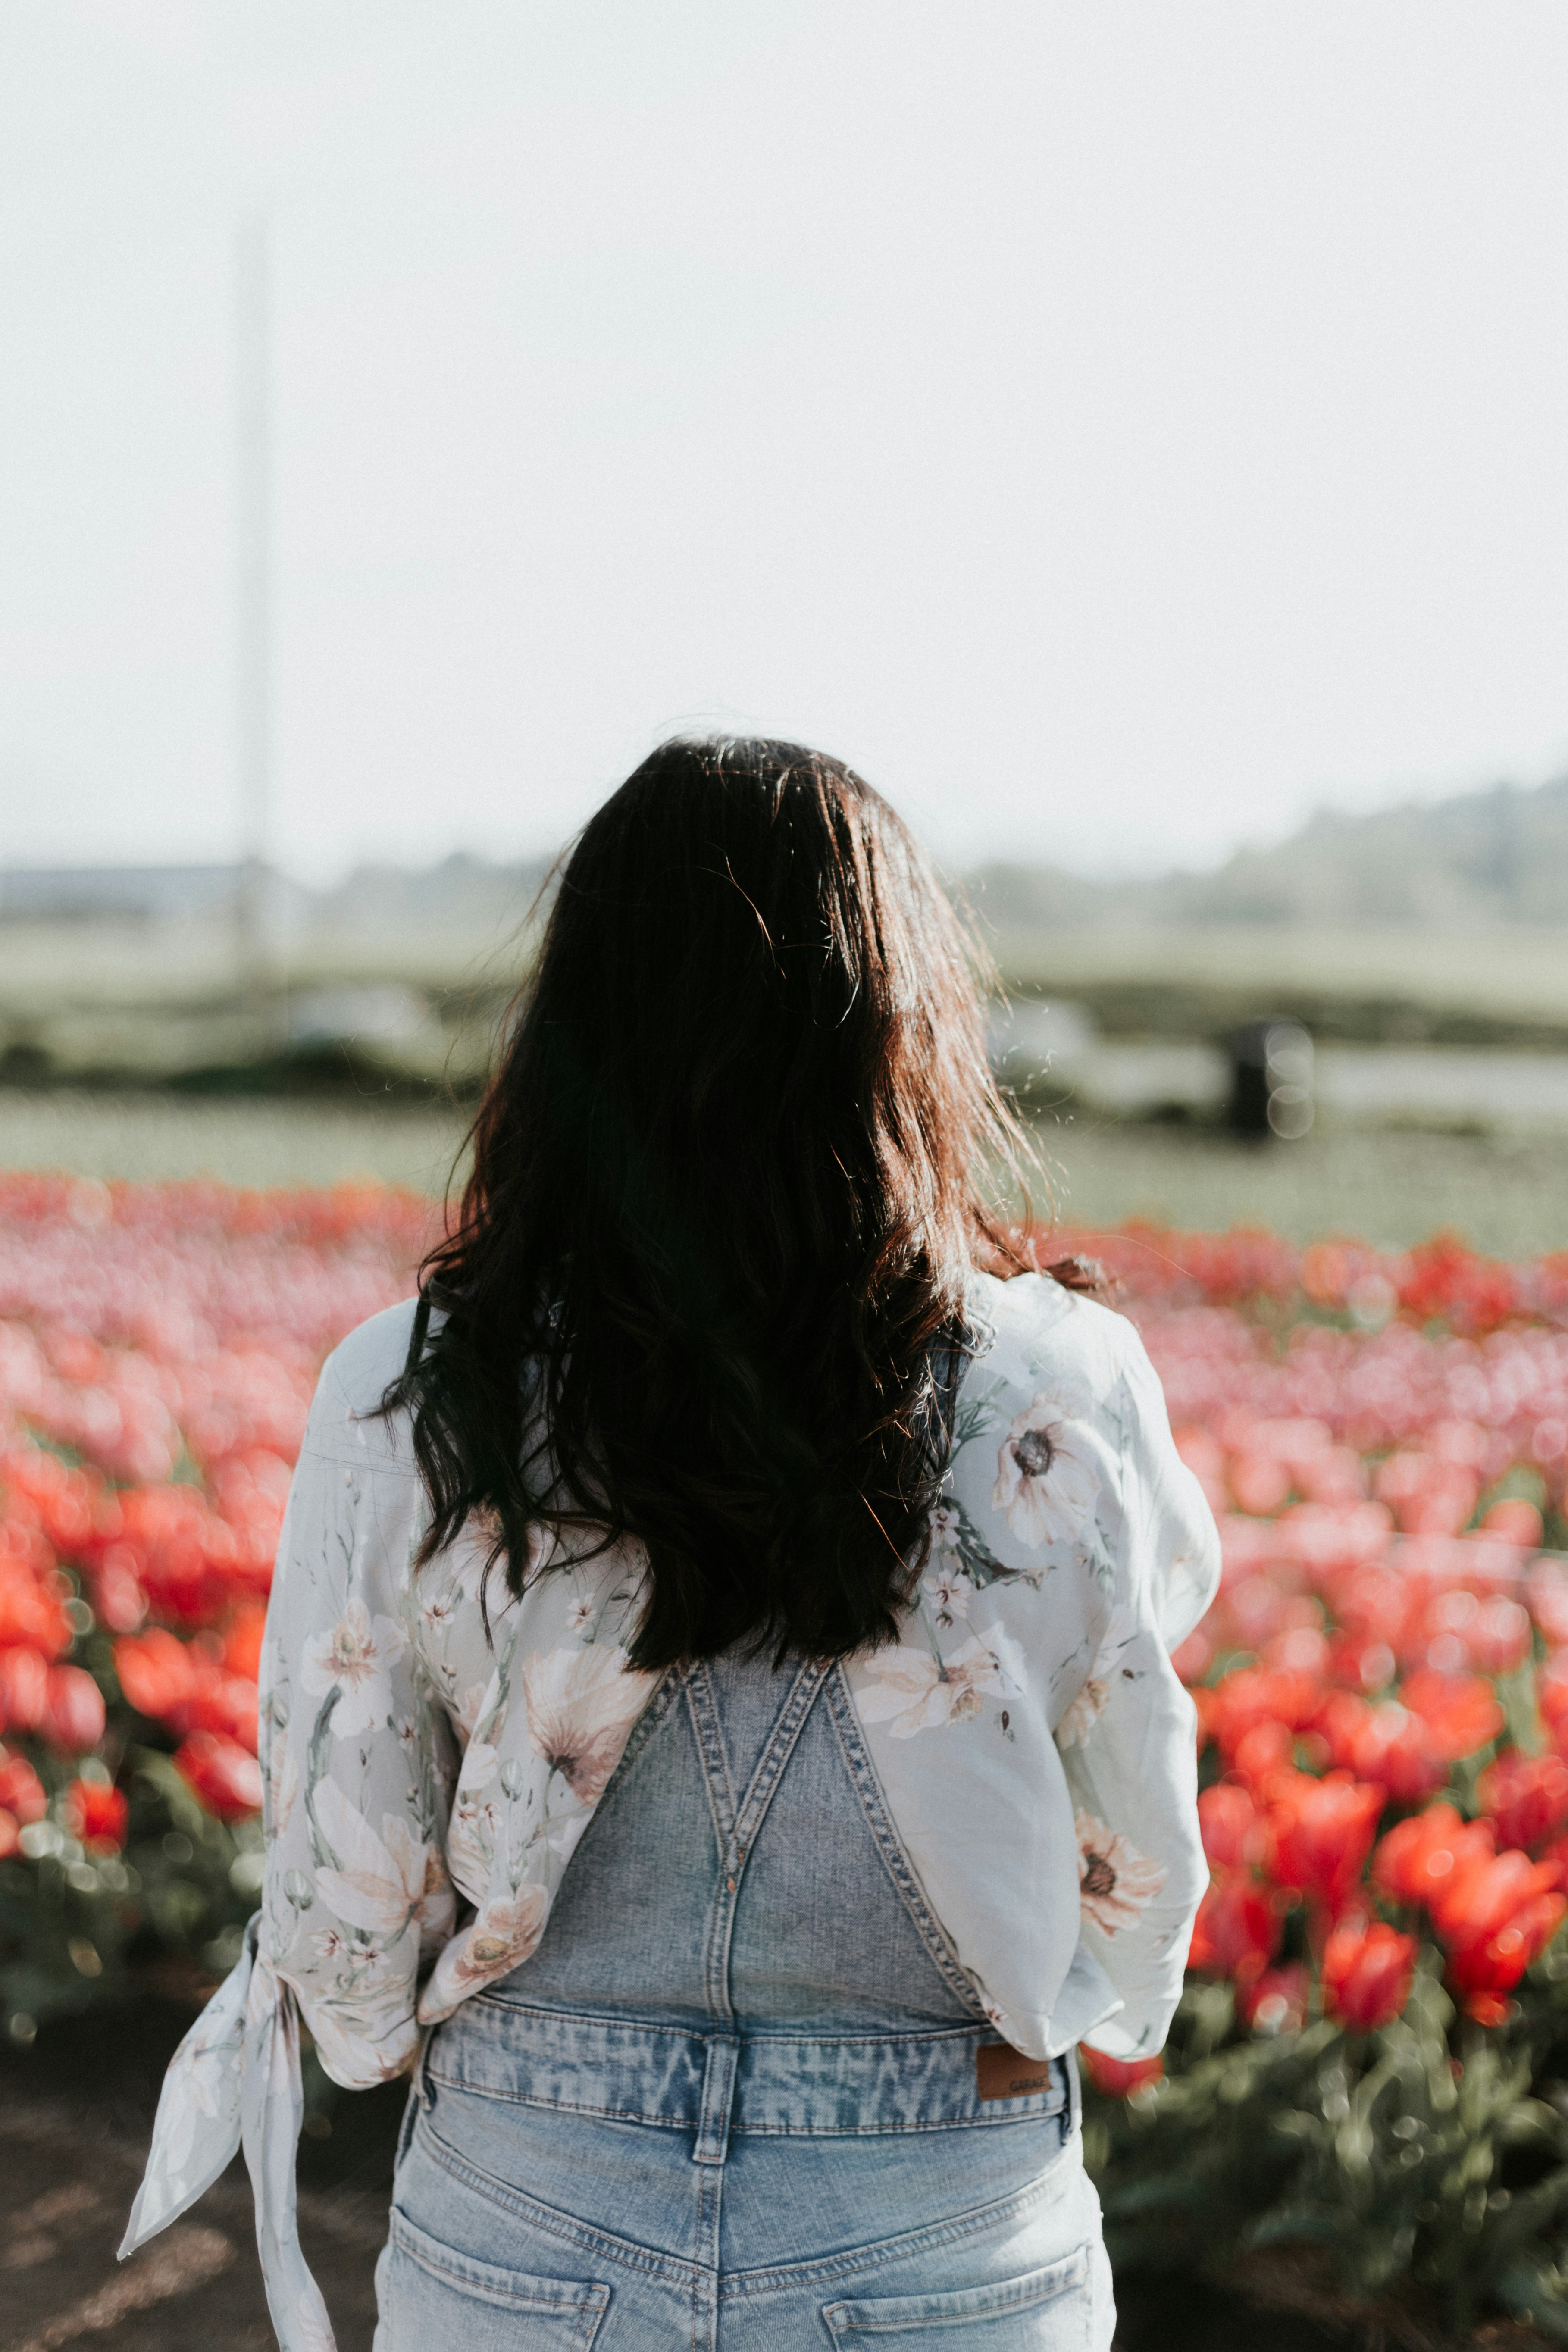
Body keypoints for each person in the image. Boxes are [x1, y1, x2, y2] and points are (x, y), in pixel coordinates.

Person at [122, 736, 1219, 2350]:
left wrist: (507, 2057)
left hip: (529, 2213)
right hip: (936, 2232)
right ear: (898, 1037)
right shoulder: (1051, 1386)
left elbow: (345, 1932)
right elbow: (1136, 1878)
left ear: (576, 1033)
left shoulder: (421, 1389)